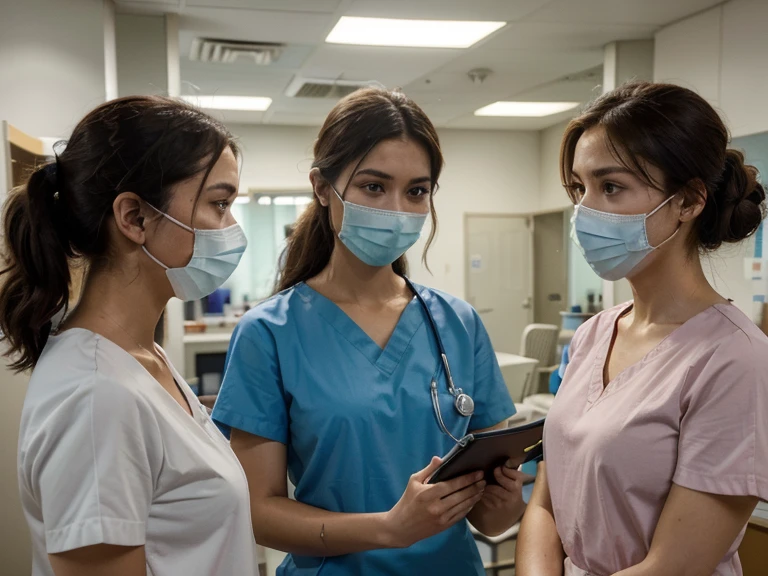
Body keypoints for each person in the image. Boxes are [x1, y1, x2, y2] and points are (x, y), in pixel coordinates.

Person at [212, 87, 524, 575]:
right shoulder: (269, 333)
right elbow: (260, 511)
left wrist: (504, 499)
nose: (397, 208)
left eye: (416, 191)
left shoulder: (458, 323)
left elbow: (491, 518)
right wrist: (388, 528)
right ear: (322, 188)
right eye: (373, 187)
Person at [516, 82, 768, 576]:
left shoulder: (735, 359)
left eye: (610, 187)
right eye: (578, 188)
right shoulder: (594, 334)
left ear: (689, 200)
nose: (585, 211)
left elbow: (675, 565)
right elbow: (545, 506)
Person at [3, 96, 257, 576]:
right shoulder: (96, 396)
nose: (231, 228)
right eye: (218, 204)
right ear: (134, 218)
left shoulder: (143, 356)